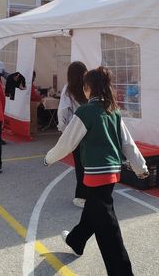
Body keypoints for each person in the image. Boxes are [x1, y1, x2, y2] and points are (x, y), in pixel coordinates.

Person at [44, 66, 149, 276]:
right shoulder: (113, 111)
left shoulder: (86, 111)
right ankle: (76, 240)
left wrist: (48, 159)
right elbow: (128, 144)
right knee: (94, 209)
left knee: (107, 229)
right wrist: (141, 168)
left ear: (87, 88)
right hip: (111, 172)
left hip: (95, 174)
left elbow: (67, 143)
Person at [58, 61, 88, 208]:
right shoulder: (89, 87)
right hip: (91, 129)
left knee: (80, 165)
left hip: (75, 131)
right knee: (91, 163)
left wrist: (63, 129)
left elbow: (63, 110)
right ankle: (92, 194)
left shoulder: (68, 89)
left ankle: (81, 197)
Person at [30, 71, 42, 137]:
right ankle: (32, 132)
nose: (34, 77)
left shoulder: (30, 84)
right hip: (31, 103)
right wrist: (39, 96)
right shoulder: (29, 84)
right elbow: (33, 96)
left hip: (32, 103)